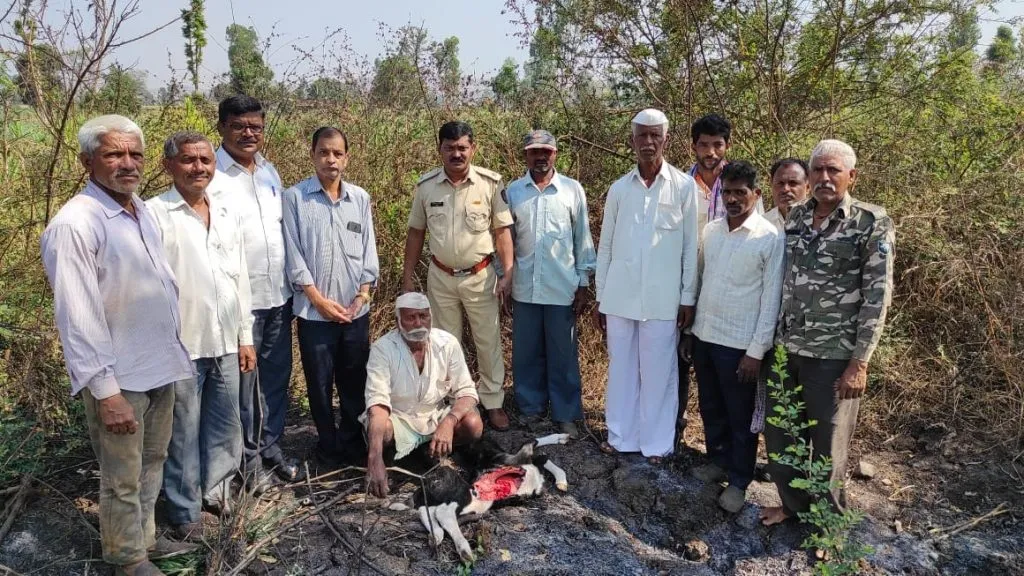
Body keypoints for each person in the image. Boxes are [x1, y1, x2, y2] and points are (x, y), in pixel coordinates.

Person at [41, 115, 197, 576]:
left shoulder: (139, 209)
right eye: (114, 154)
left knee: (152, 462)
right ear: (87, 161)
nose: (127, 164)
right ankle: (126, 559)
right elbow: (78, 316)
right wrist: (106, 393)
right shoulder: (75, 224)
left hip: (158, 364)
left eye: (135, 154)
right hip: (119, 378)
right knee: (122, 476)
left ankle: (144, 540)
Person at [760, 140, 895, 526]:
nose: (823, 177)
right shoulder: (796, 217)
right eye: (817, 170)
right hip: (787, 350)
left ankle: (828, 526)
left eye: (832, 170)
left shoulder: (871, 223)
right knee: (782, 436)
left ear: (851, 175)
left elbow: (877, 297)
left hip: (834, 357)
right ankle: (792, 506)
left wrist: (860, 362)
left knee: (827, 447)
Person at [147, 132, 255, 531]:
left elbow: (238, 276)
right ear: (168, 165)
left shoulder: (225, 211)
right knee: (182, 431)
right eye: (189, 160)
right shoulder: (155, 214)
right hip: (181, 345)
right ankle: (184, 510)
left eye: (206, 161)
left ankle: (219, 493)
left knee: (227, 425)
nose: (199, 168)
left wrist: (245, 336)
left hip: (226, 339)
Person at [594, 108, 699, 464]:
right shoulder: (619, 189)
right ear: (633, 140)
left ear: (666, 139)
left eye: (656, 135)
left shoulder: (684, 187)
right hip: (620, 297)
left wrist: (687, 298)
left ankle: (657, 444)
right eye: (642, 135)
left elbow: (689, 248)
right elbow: (605, 247)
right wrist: (601, 298)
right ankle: (621, 436)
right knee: (622, 369)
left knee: (659, 373)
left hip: (663, 301)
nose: (649, 142)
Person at [682, 161, 784, 513]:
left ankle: (739, 480)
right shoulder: (711, 231)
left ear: (756, 194)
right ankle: (717, 461)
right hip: (706, 337)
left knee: (741, 416)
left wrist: (756, 352)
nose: (733, 199)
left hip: (740, 345)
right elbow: (697, 282)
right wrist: (690, 332)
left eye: (741, 192)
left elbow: (771, 299)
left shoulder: (769, 238)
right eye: (727, 192)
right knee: (710, 406)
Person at [401, 121, 515, 430]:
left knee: (487, 341)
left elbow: (502, 231)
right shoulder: (426, 187)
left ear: (473, 149)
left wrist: (508, 274)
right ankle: (455, 403)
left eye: (462, 147)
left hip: (480, 276)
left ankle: (492, 402)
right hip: (441, 277)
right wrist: (408, 278)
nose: (456, 154)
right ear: (439, 150)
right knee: (444, 343)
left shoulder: (490, 184)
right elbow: (415, 234)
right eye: (449, 148)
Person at [214, 95, 301, 484]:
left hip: (277, 296)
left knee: (275, 378)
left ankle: (270, 446)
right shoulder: (211, 175)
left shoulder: (269, 172)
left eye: (256, 126)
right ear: (222, 128)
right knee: (241, 385)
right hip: (238, 303)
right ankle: (245, 461)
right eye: (239, 126)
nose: (249, 133)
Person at [282, 127, 379, 468]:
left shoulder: (360, 199)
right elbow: (293, 256)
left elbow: (369, 253)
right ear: (312, 155)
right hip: (314, 314)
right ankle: (327, 447)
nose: (331, 159)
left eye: (337, 153)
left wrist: (363, 295)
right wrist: (319, 301)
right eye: (324, 152)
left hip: (355, 312)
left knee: (354, 382)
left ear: (346, 158)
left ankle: (352, 444)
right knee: (320, 385)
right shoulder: (295, 198)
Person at [677, 114, 764, 442]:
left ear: (727, 145)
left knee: (730, 382)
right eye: (703, 144)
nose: (710, 151)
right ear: (693, 146)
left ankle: (735, 454)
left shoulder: (741, 185)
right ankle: (676, 428)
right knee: (682, 361)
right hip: (686, 284)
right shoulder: (682, 185)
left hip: (729, 296)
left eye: (717, 144)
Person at [504, 130, 596, 439]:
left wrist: (583, 282)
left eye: (546, 151)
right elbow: (505, 242)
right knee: (526, 353)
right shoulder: (513, 192)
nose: (540, 156)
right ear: (525, 155)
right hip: (524, 286)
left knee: (563, 354)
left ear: (555, 153)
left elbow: (582, 238)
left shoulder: (571, 191)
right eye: (534, 151)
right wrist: (502, 280)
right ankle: (530, 409)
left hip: (561, 288)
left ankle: (566, 413)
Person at [363, 293, 484, 497]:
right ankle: (395, 457)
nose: (419, 323)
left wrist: (449, 421)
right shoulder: (382, 349)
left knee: (473, 424)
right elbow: (378, 404)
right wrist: (374, 459)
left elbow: (467, 392)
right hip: (400, 419)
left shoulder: (447, 343)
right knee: (380, 429)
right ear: (398, 321)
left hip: (433, 417)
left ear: (431, 317)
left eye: (423, 316)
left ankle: (431, 451)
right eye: (411, 317)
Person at [764, 158, 811, 230]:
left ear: (808, 187)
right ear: (771, 185)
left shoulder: (821, 223)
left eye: (793, 183)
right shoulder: (761, 226)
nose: (785, 189)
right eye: (780, 183)